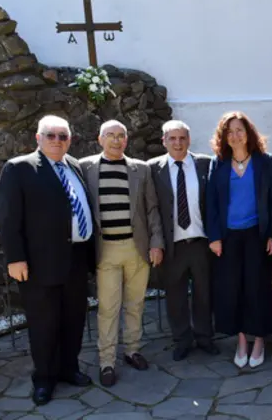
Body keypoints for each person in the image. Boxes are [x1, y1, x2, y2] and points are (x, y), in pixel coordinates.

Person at [0, 115, 95, 405]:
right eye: (50, 135)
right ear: (38, 138)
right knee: (44, 323)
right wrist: (15, 258)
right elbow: (8, 217)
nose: (57, 140)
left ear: (70, 140)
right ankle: (44, 378)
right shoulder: (19, 168)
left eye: (62, 136)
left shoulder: (74, 165)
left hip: (76, 259)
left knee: (74, 319)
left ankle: (68, 368)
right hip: (40, 262)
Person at [78, 120, 164, 387]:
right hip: (106, 251)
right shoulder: (85, 168)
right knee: (108, 308)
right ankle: (106, 361)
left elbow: (151, 209)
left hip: (136, 248)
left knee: (136, 304)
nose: (116, 141)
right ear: (100, 138)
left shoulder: (141, 169)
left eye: (121, 136)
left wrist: (156, 242)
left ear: (126, 140)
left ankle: (132, 350)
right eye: (110, 136)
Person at [207, 111, 272, 369]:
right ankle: (241, 340)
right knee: (233, 289)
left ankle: (258, 340)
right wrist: (214, 237)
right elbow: (212, 204)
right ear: (223, 137)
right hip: (228, 238)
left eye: (239, 130)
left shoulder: (264, 161)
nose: (235, 135)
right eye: (229, 132)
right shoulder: (218, 163)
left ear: (248, 133)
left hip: (256, 235)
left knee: (257, 288)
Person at [148, 120, 219, 360]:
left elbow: (216, 203)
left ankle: (204, 337)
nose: (177, 143)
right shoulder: (153, 169)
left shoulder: (205, 164)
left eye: (182, 138)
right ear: (164, 141)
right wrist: (155, 243)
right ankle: (181, 340)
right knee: (175, 296)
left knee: (204, 293)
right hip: (172, 246)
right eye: (172, 139)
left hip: (200, 242)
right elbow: (152, 208)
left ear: (189, 140)